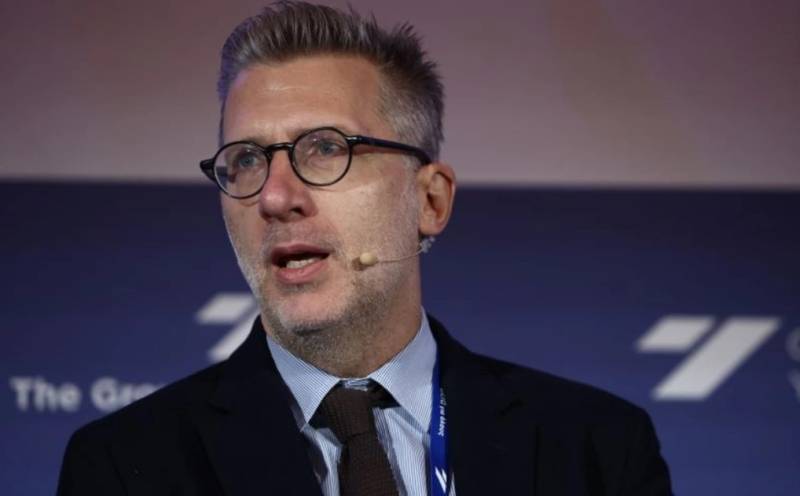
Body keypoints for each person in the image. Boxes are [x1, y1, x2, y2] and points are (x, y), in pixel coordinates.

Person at [57, 2, 672, 495]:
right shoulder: (124, 467)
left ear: (429, 200)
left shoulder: (596, 450)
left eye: (326, 148)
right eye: (245, 159)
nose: (274, 197)